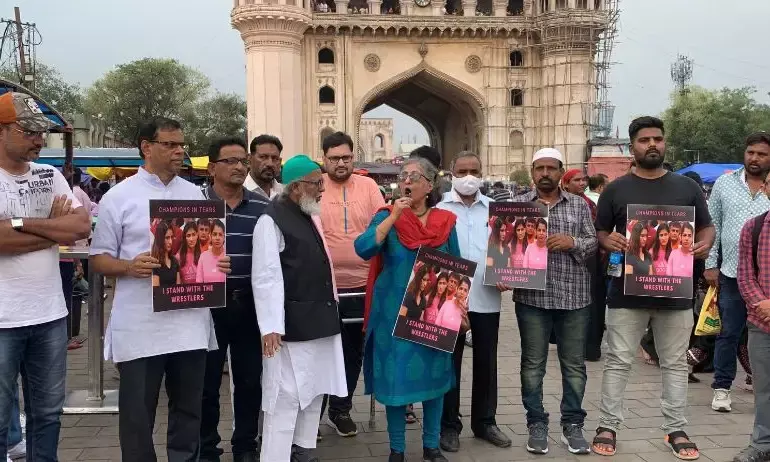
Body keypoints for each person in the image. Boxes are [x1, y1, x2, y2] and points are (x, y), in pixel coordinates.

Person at [90, 117, 229, 462]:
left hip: (189, 322)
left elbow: (203, 250)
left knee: (188, 412)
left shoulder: (194, 195)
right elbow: (98, 259)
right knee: (137, 416)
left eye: (182, 144)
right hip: (140, 326)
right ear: (146, 147)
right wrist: (128, 266)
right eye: (170, 144)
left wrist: (217, 263)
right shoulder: (118, 197)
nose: (179, 151)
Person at [593, 116, 714, 460]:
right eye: (644, 140)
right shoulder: (616, 189)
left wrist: (705, 243)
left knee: (674, 363)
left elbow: (706, 227)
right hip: (626, 292)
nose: (652, 145)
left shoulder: (687, 188)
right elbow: (601, 231)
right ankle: (607, 426)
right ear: (632, 147)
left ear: (664, 143)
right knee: (618, 361)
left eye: (657, 139)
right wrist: (608, 240)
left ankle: (675, 428)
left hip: (675, 292)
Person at [0, 91, 91, 462]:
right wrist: (52, 228)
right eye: (29, 131)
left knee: (49, 414)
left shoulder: (49, 175)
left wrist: (18, 224)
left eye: (41, 132)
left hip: (50, 315)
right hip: (3, 319)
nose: (39, 139)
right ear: (2, 130)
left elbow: (80, 227)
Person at [355, 157, 460, 462]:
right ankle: (397, 450)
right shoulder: (386, 216)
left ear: (430, 185)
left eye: (415, 176)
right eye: (403, 176)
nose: (407, 181)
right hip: (393, 316)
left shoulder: (445, 221)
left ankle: (431, 446)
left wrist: (459, 309)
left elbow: (455, 265)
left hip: (433, 315)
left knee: (435, 380)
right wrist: (393, 216)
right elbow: (363, 248)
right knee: (396, 381)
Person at [251, 155, 347, 462]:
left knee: (314, 390)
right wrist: (270, 327)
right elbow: (266, 277)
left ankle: (303, 451)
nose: (322, 189)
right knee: (285, 397)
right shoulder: (270, 221)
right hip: (290, 327)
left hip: (319, 321)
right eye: (317, 183)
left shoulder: (309, 214)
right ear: (296, 187)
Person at [505, 148, 597, 455]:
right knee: (533, 365)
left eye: (551, 168)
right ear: (532, 172)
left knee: (574, 366)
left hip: (574, 296)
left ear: (560, 172)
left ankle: (573, 424)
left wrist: (573, 242)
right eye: (539, 168)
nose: (545, 173)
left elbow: (592, 242)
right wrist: (503, 271)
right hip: (532, 298)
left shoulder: (579, 205)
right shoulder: (518, 205)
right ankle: (536, 423)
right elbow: (506, 249)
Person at [436, 151, 512, 452]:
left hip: (486, 297)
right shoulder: (439, 210)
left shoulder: (497, 210)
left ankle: (484, 422)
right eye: (462, 171)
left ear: (482, 173)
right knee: (449, 363)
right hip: (448, 300)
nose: (468, 177)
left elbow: (508, 251)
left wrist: (508, 273)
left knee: (486, 362)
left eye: (474, 171)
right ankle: (448, 425)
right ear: (451, 173)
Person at [199, 137, 268, 462]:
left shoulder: (263, 208)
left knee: (250, 380)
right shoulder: (193, 206)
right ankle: (207, 447)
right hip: (204, 306)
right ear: (212, 168)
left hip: (248, 304)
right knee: (206, 381)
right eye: (231, 161)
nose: (239, 167)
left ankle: (245, 446)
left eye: (243, 161)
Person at [318, 131, 386, 437]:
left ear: (353, 157)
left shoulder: (369, 187)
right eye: (334, 158)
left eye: (346, 157)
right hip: (323, 286)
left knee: (352, 352)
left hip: (362, 283)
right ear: (324, 159)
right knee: (321, 351)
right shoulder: (315, 185)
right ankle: (312, 416)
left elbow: (381, 227)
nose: (341, 163)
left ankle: (340, 410)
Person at [704, 132, 770, 414]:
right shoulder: (725, 183)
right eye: (751, 152)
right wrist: (710, 264)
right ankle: (722, 387)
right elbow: (712, 225)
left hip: (766, 280)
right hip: (731, 274)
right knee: (728, 333)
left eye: (762, 154)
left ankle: (762, 386)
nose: (754, 158)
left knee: (762, 334)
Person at [734, 171, 770, 462]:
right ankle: (762, 444)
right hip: (762, 323)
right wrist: (763, 305)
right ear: (765, 189)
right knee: (764, 389)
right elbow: (745, 275)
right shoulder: (753, 228)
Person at [245, 134, 284, 199]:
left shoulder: (285, 194)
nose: (270, 164)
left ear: (279, 162)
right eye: (263, 157)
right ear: (249, 159)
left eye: (275, 158)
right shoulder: (238, 193)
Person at [151, 220, 181, 286]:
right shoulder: (154, 263)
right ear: (160, 239)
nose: (170, 242)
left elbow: (178, 287)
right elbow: (156, 290)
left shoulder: (175, 261)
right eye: (167, 238)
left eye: (171, 237)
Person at [196, 219, 227, 283]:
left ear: (224, 237)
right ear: (210, 236)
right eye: (215, 234)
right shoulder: (203, 257)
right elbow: (199, 282)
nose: (217, 238)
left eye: (220, 234)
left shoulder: (228, 256)